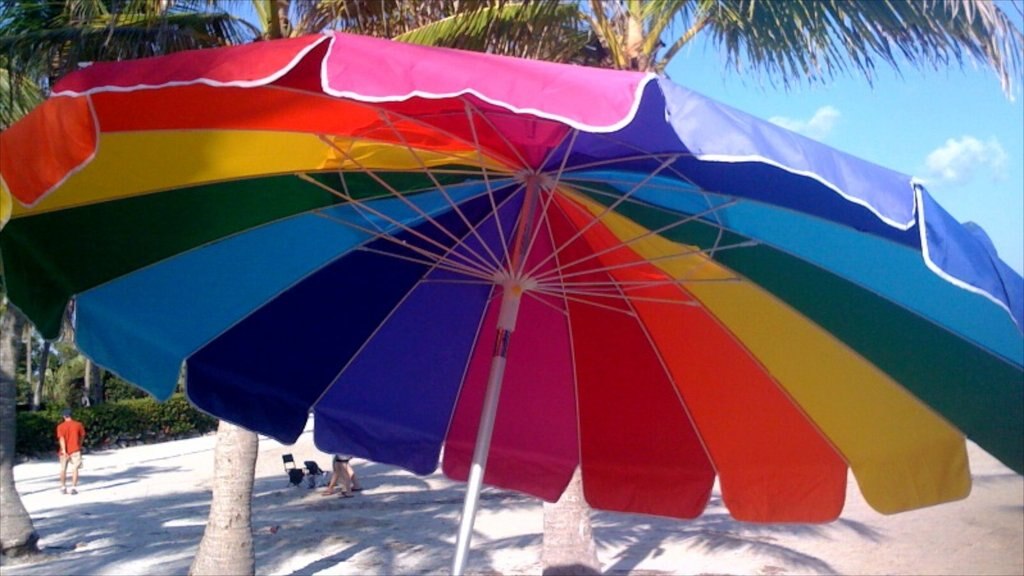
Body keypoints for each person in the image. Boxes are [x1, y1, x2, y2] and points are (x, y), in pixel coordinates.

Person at [56, 408, 86, 495]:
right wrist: (79, 445)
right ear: (71, 415)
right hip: (75, 449)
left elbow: (61, 439)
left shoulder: (60, 426)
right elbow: (82, 436)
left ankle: (63, 487)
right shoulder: (78, 424)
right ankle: (73, 487)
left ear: (63, 416)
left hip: (64, 451)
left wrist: (64, 451)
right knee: (75, 469)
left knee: (63, 469)